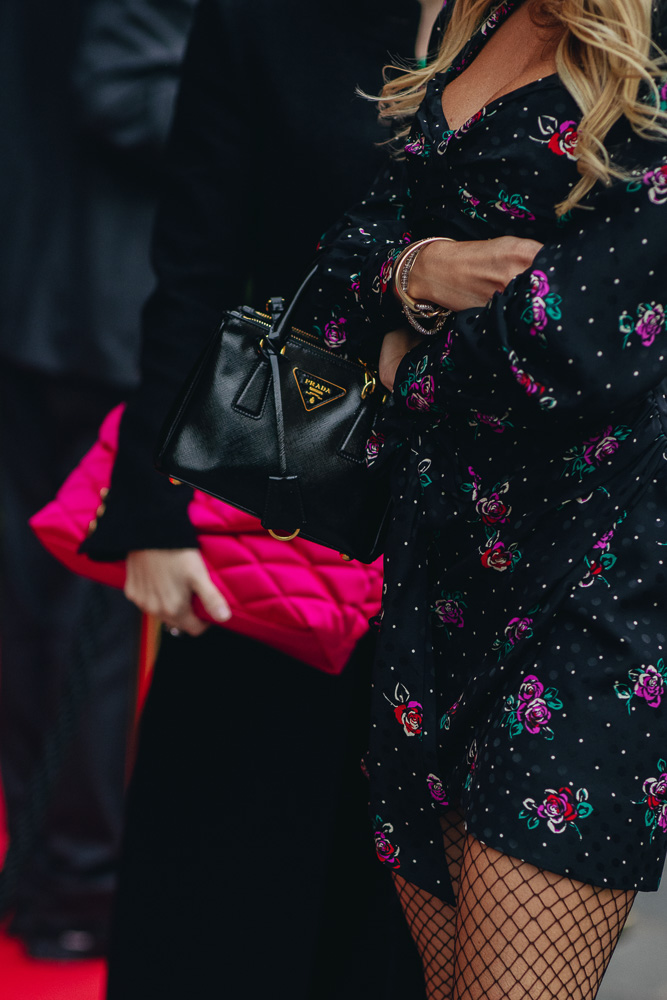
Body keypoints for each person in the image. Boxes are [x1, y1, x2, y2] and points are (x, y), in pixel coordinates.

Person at [308, 0, 667, 997]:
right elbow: (350, 249)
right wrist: (422, 271)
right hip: (436, 576)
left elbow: (578, 343)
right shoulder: (476, 10)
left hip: (590, 595)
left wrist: (397, 367)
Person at [82, 1, 429, 997]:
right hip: (277, 499)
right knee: (225, 880)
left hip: (468, 525)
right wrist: (150, 506)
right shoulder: (269, 19)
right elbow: (191, 269)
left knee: (398, 921)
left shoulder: (560, 25)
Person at [0, 0, 196, 957]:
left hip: (41, 293)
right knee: (89, 617)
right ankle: (72, 879)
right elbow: (122, 92)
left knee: (42, 609)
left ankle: (48, 867)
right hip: (97, 311)